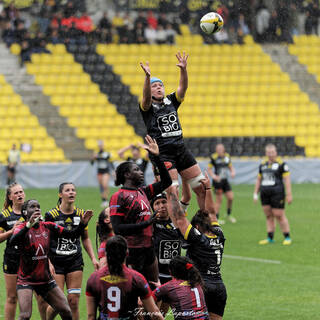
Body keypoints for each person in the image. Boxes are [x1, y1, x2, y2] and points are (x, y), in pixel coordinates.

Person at [140, 52, 206, 212]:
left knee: (202, 188)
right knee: (172, 192)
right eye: (155, 86)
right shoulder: (147, 107)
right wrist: (148, 78)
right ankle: (177, 228)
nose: (158, 88)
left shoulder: (171, 101)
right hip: (162, 153)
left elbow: (183, 88)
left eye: (160, 85)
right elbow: (146, 98)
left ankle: (205, 224)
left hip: (180, 149)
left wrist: (183, 69)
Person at [10, 199, 93, 320]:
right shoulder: (21, 228)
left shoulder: (47, 226)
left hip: (45, 279)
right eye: (32, 207)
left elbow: (72, 235)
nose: (37, 208)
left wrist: (82, 224)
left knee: (66, 311)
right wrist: (28, 225)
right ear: (24, 212)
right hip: (26, 280)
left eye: (38, 206)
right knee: (25, 316)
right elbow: (12, 241)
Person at [110, 135, 172, 285]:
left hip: (149, 249)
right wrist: (146, 223)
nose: (141, 172)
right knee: (134, 292)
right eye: (137, 170)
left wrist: (157, 158)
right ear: (127, 175)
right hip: (131, 251)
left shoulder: (143, 191)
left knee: (154, 288)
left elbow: (167, 181)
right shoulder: (119, 196)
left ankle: (151, 310)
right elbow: (118, 228)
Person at [167, 173, 227, 320]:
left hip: (201, 286)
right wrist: (207, 187)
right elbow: (211, 212)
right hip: (219, 287)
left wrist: (171, 192)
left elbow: (180, 219)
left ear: (197, 226)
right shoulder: (219, 234)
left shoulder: (198, 238)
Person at [45, 182, 99, 320]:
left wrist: (93, 258)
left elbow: (85, 238)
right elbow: (45, 241)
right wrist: (48, 262)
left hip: (74, 261)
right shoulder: (51, 215)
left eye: (73, 190)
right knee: (59, 302)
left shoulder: (81, 214)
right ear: (60, 194)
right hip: (56, 262)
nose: (71, 192)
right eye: (67, 190)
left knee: (73, 301)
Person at [86, 235, 164, 320]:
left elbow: (91, 316)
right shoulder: (137, 278)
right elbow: (154, 313)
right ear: (127, 253)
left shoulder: (93, 279)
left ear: (106, 253)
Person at [253, 144, 292, 245]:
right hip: (265, 193)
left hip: (277, 193)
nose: (271, 154)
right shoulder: (262, 164)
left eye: (272, 152)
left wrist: (289, 194)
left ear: (276, 152)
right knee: (268, 215)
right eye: (269, 152)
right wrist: (255, 193)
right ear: (266, 153)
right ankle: (270, 237)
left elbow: (287, 179)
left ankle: (287, 237)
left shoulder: (282, 164)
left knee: (279, 215)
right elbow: (259, 179)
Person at [151, 192, 183, 316]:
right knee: (152, 314)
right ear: (152, 207)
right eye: (157, 203)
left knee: (162, 314)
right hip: (155, 277)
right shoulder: (150, 224)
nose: (161, 206)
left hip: (172, 276)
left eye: (164, 202)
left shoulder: (177, 223)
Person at [0, 183, 25, 320]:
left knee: (39, 296)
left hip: (30, 259)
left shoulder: (31, 211)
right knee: (11, 297)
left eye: (21, 192)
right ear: (10, 197)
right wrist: (11, 231)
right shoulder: (4, 215)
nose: (20, 194)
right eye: (16, 193)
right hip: (12, 260)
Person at [208, 144, 236, 224]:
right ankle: (216, 218)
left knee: (230, 198)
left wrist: (232, 172)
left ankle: (228, 214)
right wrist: (214, 176)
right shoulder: (214, 157)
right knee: (218, 200)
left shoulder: (227, 156)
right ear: (216, 150)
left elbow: (230, 166)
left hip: (225, 181)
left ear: (224, 149)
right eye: (218, 149)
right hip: (217, 182)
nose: (220, 150)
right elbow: (209, 169)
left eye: (221, 149)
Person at [91, 141, 114, 207]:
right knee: (101, 186)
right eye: (99, 145)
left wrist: (112, 170)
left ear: (103, 145)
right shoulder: (96, 154)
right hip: (99, 172)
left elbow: (111, 162)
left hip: (106, 171)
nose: (100, 146)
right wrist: (93, 158)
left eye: (101, 145)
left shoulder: (106, 154)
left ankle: (106, 199)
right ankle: (104, 200)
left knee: (104, 185)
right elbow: (92, 163)